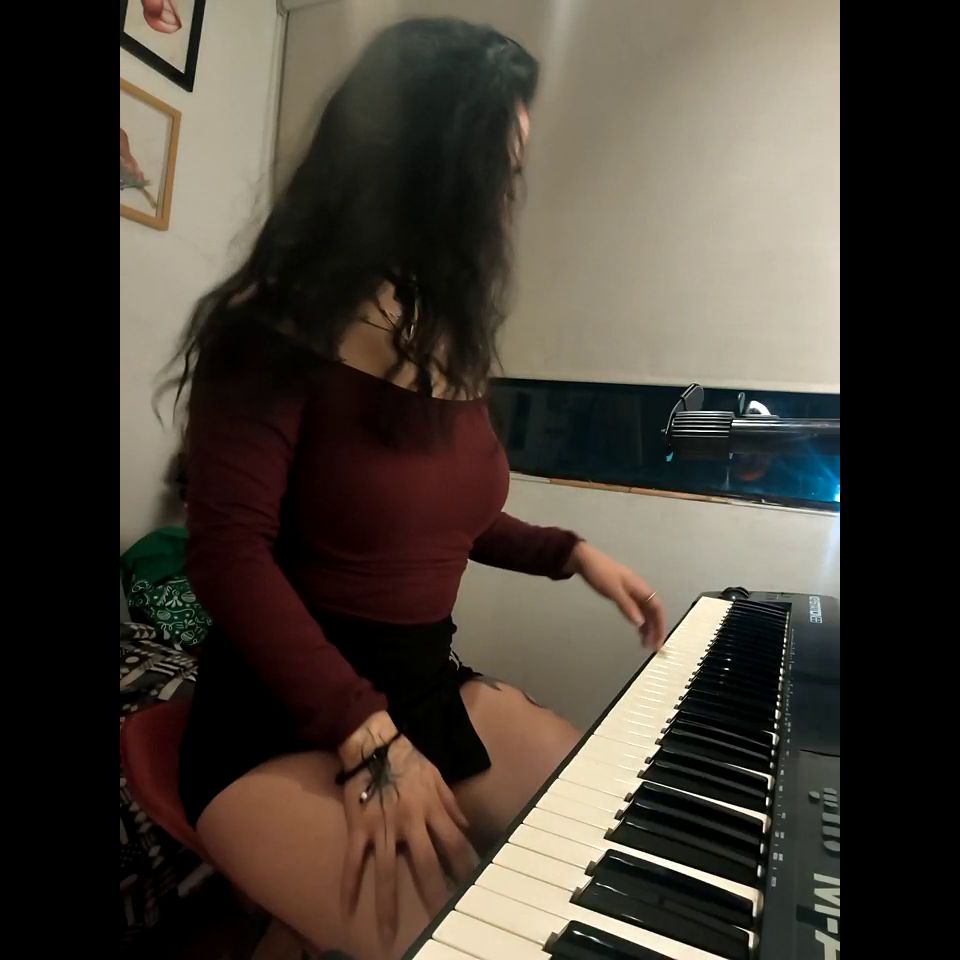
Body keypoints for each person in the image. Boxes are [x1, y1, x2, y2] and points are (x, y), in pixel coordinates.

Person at [163, 18, 666, 960]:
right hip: (282, 708)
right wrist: (365, 732)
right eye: (495, 174)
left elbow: (444, 517)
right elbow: (226, 554)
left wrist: (571, 554)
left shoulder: (439, 335)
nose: (506, 201)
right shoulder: (268, 329)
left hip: (418, 684)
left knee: (607, 844)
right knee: (465, 937)